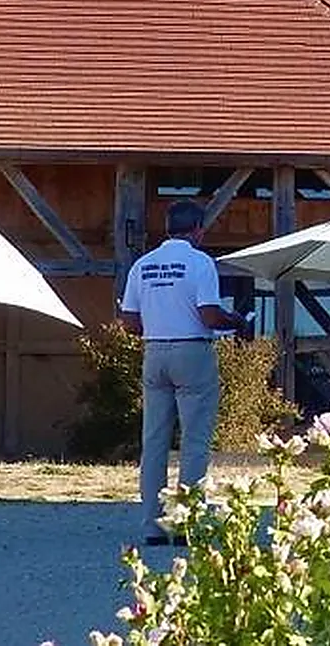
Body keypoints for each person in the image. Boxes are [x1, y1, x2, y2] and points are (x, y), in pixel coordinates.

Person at [119, 200, 253, 546]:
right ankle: (186, 522)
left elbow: (130, 322)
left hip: (154, 351)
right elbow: (210, 315)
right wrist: (236, 321)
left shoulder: (142, 265)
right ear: (198, 230)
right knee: (194, 441)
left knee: (154, 441)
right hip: (192, 349)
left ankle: (152, 524)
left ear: (167, 228)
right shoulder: (199, 262)